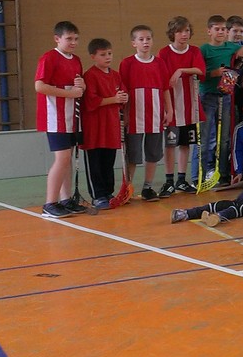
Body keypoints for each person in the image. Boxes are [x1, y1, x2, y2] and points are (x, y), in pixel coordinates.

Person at [35, 21, 87, 218]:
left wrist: (82, 86)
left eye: (76, 39)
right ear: (57, 39)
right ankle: (50, 203)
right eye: (69, 39)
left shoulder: (76, 60)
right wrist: (70, 94)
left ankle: (66, 200)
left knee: (67, 160)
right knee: (62, 158)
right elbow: (40, 86)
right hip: (55, 117)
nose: (73, 42)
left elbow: (78, 89)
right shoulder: (49, 58)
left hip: (71, 117)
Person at [120, 25, 173, 200]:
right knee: (133, 155)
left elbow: (165, 88)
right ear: (133, 43)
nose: (145, 42)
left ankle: (148, 187)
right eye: (141, 39)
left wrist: (169, 109)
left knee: (153, 153)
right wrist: (125, 114)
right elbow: (123, 90)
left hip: (156, 115)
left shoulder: (159, 63)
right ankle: (127, 189)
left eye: (148, 39)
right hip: (134, 117)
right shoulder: (127, 63)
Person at [199, 15, 243, 186]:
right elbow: (199, 74)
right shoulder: (204, 49)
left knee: (225, 138)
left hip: (226, 96)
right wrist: (213, 73)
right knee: (206, 137)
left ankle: (222, 174)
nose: (220, 32)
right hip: (208, 96)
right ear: (209, 31)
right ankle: (201, 174)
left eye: (223, 29)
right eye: (217, 29)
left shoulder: (231, 47)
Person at [158, 16, 205, 194]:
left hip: (190, 106)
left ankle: (181, 179)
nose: (184, 34)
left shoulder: (194, 51)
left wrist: (180, 70)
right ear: (173, 33)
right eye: (179, 31)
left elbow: (200, 70)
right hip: (171, 105)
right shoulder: (164, 53)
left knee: (185, 144)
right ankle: (169, 180)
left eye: (187, 31)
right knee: (170, 144)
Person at [80, 38, 128, 210]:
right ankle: (97, 195)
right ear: (93, 56)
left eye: (109, 53)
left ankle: (108, 192)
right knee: (95, 162)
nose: (107, 57)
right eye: (103, 54)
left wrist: (123, 98)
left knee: (108, 161)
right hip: (94, 127)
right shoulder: (90, 75)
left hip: (110, 125)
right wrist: (114, 99)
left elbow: (122, 95)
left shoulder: (116, 75)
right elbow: (90, 101)